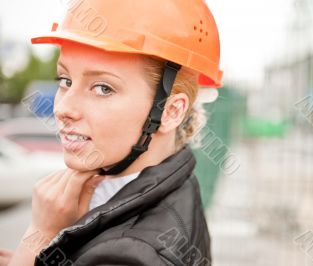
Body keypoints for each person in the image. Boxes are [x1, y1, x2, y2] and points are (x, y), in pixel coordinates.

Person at [3, 0, 223, 265]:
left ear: (170, 111)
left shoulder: (129, 256)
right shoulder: (177, 180)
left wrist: (40, 236)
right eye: (65, 80)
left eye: (103, 88)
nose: (63, 108)